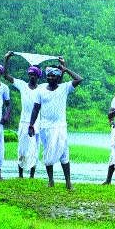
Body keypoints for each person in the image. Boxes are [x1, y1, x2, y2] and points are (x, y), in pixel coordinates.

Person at [28, 58, 83, 189]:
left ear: (58, 77)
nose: (51, 78)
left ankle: (68, 182)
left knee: (64, 154)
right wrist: (31, 125)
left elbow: (79, 79)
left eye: (54, 75)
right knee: (47, 153)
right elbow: (36, 109)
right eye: (49, 75)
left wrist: (65, 69)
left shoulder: (64, 88)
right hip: (45, 127)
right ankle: (51, 180)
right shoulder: (40, 91)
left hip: (60, 127)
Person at [3, 51, 43, 178]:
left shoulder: (41, 89)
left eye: (35, 75)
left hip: (37, 123)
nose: (32, 76)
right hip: (24, 122)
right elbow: (6, 75)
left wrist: (62, 69)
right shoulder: (22, 85)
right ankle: (20, 175)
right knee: (22, 148)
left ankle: (32, 175)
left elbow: (57, 86)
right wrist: (7, 59)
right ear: (28, 75)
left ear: (38, 77)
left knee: (34, 149)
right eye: (30, 74)